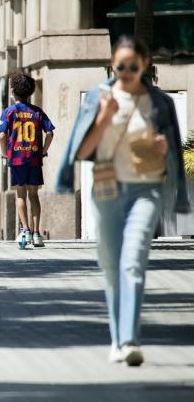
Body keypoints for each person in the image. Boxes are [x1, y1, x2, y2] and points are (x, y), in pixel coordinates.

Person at [55, 36, 190, 367]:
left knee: (133, 261)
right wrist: (103, 119)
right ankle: (117, 339)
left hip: (147, 190)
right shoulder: (98, 98)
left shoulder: (159, 103)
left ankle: (129, 340)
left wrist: (163, 151)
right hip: (107, 190)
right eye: (121, 66)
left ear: (145, 64)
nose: (127, 72)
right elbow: (81, 152)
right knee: (112, 267)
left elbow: (172, 151)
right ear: (112, 65)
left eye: (133, 66)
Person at [0, 71, 55, 249]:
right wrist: (43, 151)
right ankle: (37, 234)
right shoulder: (37, 112)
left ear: (12, 91)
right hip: (34, 159)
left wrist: (6, 154)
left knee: (20, 195)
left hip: (17, 160)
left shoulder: (9, 112)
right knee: (34, 195)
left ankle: (25, 230)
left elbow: (1, 136)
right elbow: (50, 133)